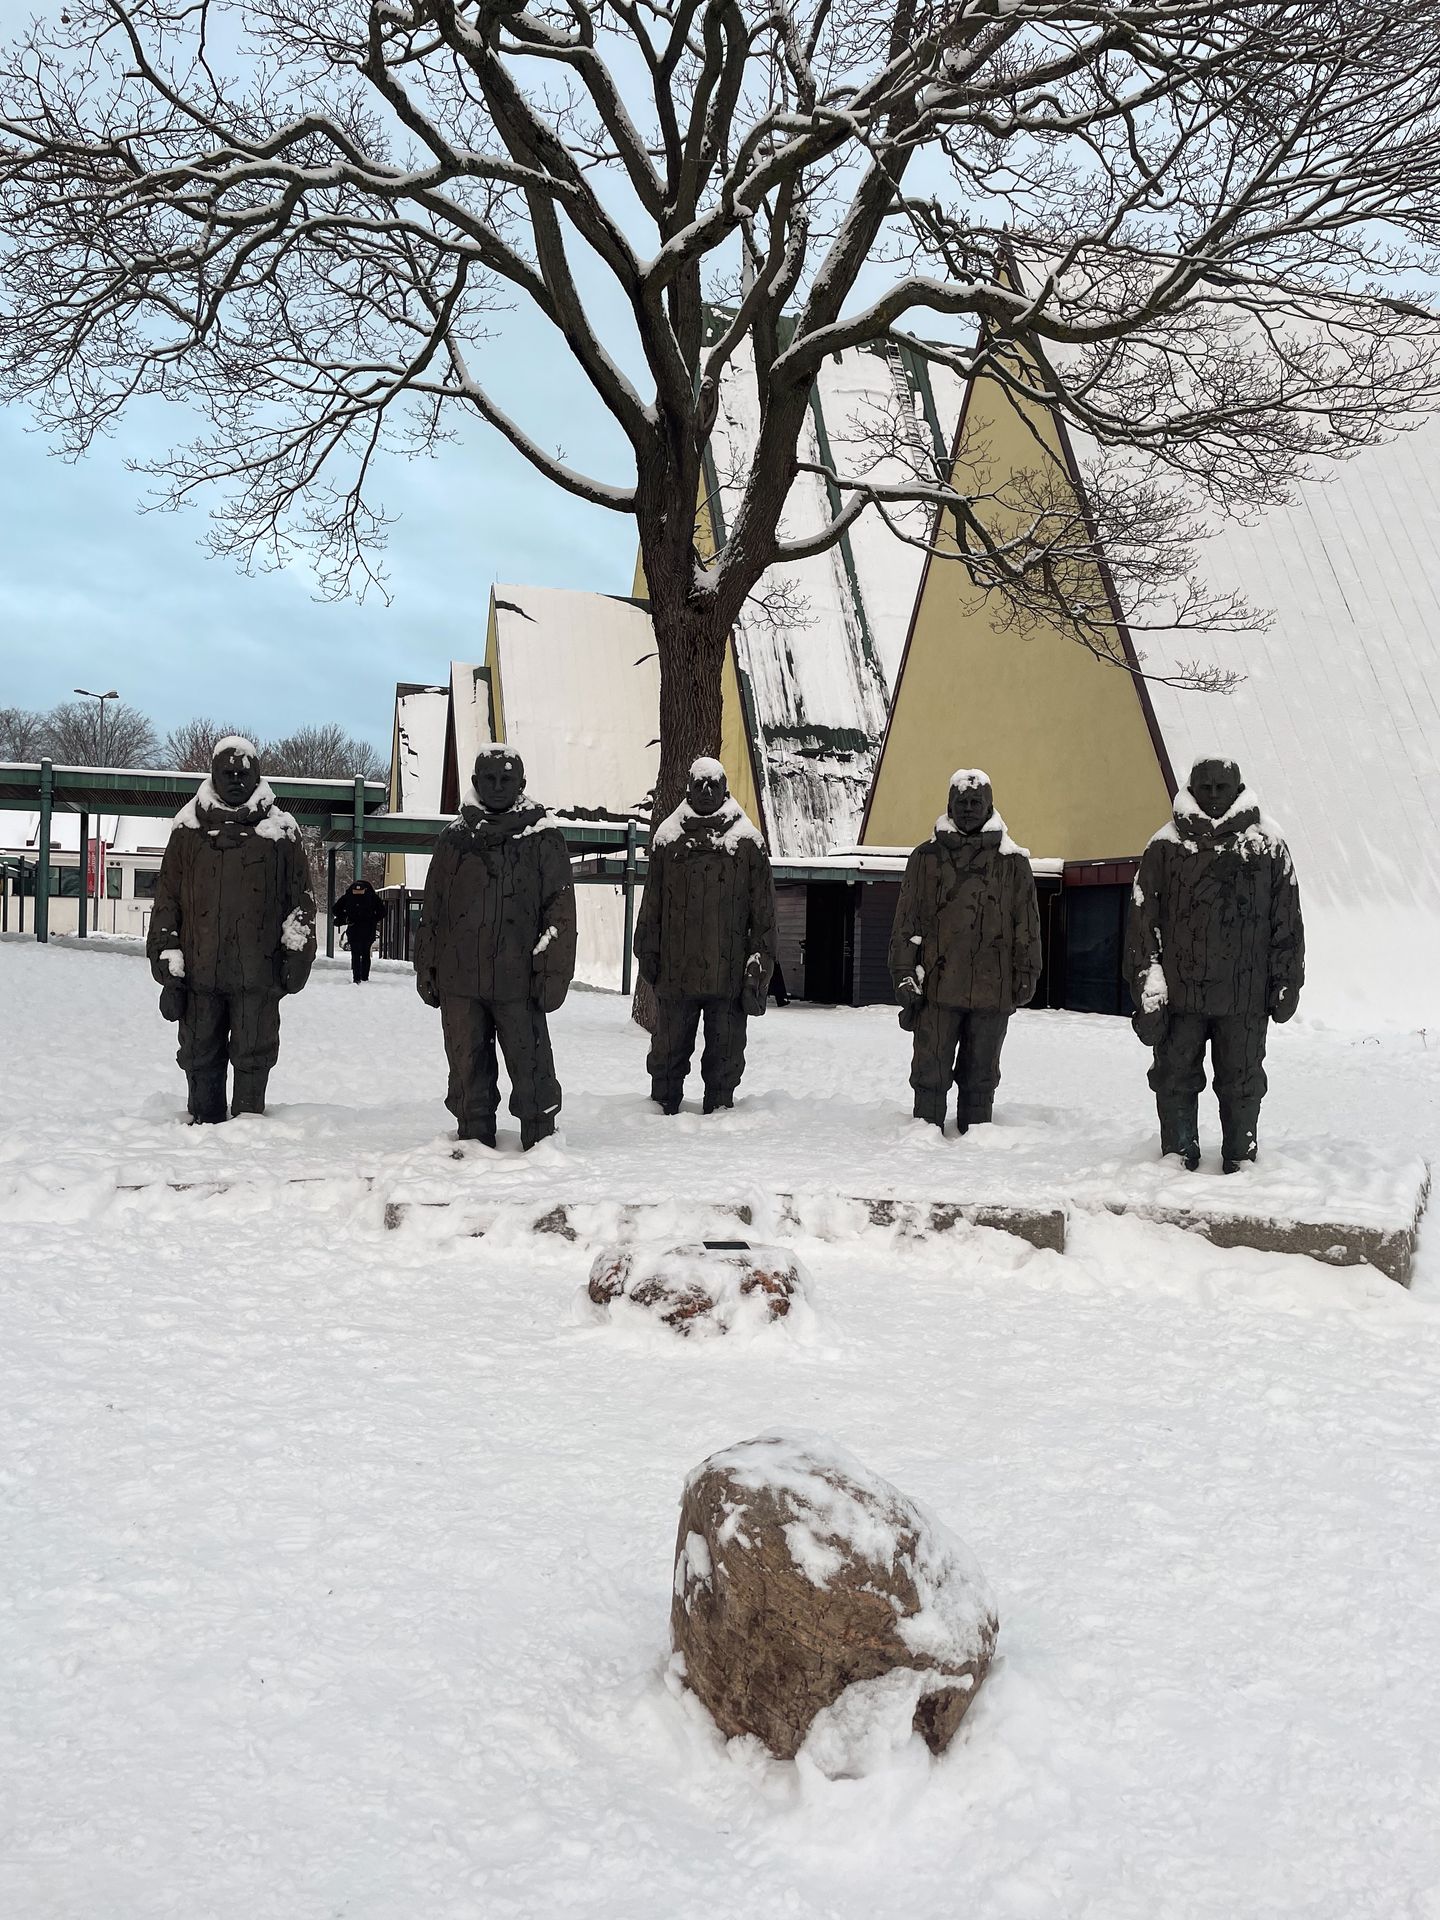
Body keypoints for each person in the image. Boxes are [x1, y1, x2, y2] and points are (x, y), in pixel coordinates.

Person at [1126, 754, 1304, 1172]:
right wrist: (1147, 983)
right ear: (1191, 788)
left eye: (1221, 787)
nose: (1212, 795)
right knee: (1173, 1080)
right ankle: (1177, 1154)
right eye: (1204, 787)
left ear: (1237, 789)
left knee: (1242, 1084)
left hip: (1245, 998)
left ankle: (1240, 1160)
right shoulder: (1164, 848)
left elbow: (1287, 922)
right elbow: (1142, 924)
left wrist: (1287, 980)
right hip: (1181, 997)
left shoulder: (1267, 846)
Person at [413, 745, 577, 1149]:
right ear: (475, 782)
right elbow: (433, 907)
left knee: (532, 1065)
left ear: (521, 784)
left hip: (519, 979)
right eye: (489, 778)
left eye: (507, 779)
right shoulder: (453, 840)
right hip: (460, 979)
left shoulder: (543, 838)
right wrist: (426, 964)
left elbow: (560, 910)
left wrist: (552, 971)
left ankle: (540, 1142)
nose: (498, 786)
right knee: (467, 1067)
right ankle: (473, 1140)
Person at [147, 736, 316, 1123]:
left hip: (259, 973)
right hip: (200, 975)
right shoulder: (187, 830)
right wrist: (165, 960)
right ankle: (203, 1125)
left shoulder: (281, 833)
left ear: (256, 775)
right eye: (227, 773)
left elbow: (300, 902)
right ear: (213, 775)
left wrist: (298, 954)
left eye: (243, 773)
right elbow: (167, 902)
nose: (236, 780)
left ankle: (248, 1129)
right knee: (199, 1053)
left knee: (253, 1054)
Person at [889, 768, 1041, 1135]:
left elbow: (1028, 924)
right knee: (930, 1070)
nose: (969, 809)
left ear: (990, 806)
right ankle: (923, 1136)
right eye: (962, 803)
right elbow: (906, 923)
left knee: (981, 1074)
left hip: (993, 987)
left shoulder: (1013, 863)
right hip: (937, 988)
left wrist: (1028, 971)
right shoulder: (925, 858)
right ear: (949, 806)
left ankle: (977, 1141)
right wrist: (904, 974)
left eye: (977, 802)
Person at [634, 757, 777, 1113]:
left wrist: (757, 969)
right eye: (700, 785)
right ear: (689, 789)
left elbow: (764, 917)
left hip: (726, 978)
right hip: (676, 973)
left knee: (725, 1055)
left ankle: (720, 1113)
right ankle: (660, 1112)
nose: (707, 791)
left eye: (714, 784)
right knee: (667, 1052)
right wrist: (647, 950)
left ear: (725, 789)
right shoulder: (668, 840)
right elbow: (651, 903)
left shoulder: (747, 843)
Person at [333, 877, 384, 983]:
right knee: (365, 954)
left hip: (354, 929)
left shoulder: (348, 896)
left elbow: (335, 909)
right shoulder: (372, 897)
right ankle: (364, 977)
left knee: (355, 954)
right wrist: (372, 919)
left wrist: (346, 917)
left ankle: (356, 978)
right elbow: (382, 911)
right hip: (368, 930)